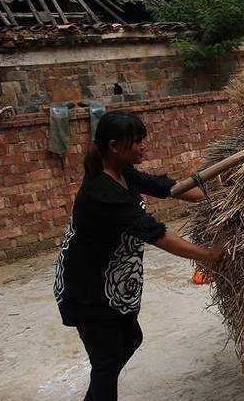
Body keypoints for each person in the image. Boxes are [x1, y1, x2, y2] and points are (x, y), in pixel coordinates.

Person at [53, 110, 223, 400]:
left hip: (113, 284)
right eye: (137, 141)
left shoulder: (122, 173)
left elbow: (167, 188)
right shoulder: (101, 192)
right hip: (88, 289)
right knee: (106, 363)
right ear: (114, 146)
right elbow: (156, 235)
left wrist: (219, 197)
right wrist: (209, 255)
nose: (143, 146)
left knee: (130, 339)